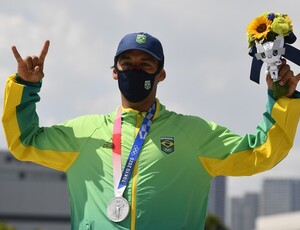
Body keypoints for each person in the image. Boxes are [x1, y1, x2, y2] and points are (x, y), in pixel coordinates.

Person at [2, 32, 300, 230]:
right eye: (127, 63)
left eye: (146, 64)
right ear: (114, 72)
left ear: (161, 74)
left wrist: (280, 101)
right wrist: (26, 87)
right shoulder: (86, 133)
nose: (135, 70)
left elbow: (260, 153)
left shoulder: (192, 135)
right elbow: (24, 142)